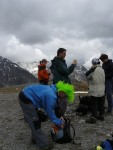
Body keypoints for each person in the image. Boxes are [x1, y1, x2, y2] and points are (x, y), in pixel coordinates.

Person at [18, 81, 75, 150]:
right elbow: (49, 111)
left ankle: (35, 138)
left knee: (37, 118)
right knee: (35, 122)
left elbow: (53, 105)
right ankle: (44, 145)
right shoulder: (51, 95)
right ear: (62, 92)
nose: (64, 98)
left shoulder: (55, 90)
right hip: (26, 99)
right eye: (65, 96)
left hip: (29, 95)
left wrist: (60, 116)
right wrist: (58, 122)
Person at [85, 58, 105, 124]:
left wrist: (91, 68)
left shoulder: (93, 69)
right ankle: (101, 115)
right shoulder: (102, 69)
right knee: (101, 103)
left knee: (94, 103)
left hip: (95, 89)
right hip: (102, 89)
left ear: (93, 63)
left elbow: (87, 75)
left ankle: (93, 118)